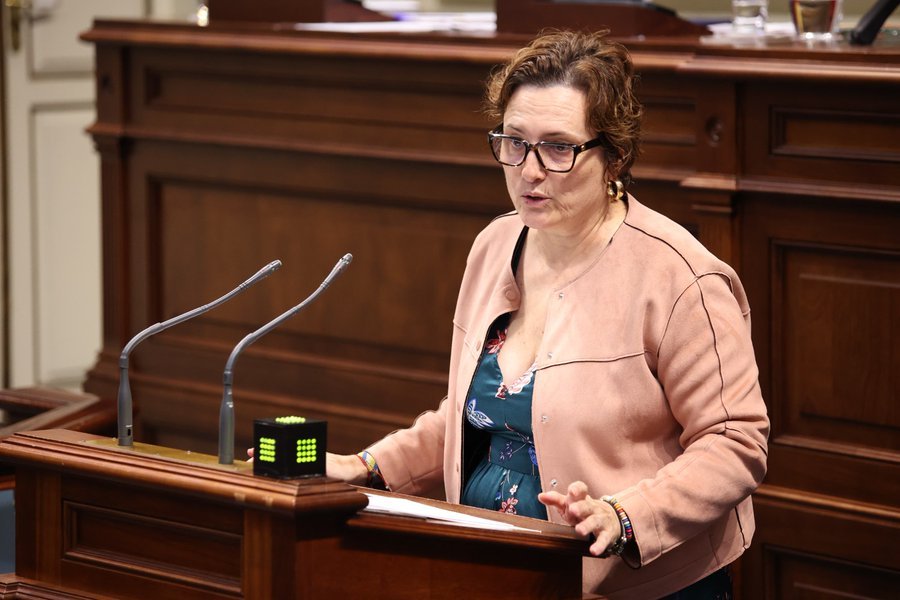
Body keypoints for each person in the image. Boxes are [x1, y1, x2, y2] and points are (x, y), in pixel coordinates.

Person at [325, 29, 769, 599]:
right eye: (514, 142)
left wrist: (624, 516)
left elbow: (735, 441)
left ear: (615, 155)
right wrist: (365, 467)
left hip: (639, 584)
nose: (529, 170)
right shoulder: (494, 245)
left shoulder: (680, 276)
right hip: (495, 566)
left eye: (559, 148)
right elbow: (472, 414)